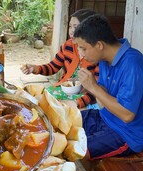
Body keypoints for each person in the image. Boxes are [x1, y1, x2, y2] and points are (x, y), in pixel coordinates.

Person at [74, 14, 143, 162]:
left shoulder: (133, 64)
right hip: (104, 117)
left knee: (74, 151)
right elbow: (102, 101)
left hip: (125, 133)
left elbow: (127, 115)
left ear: (99, 45)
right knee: (66, 120)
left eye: (83, 49)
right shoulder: (105, 59)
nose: (81, 55)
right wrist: (89, 87)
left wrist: (94, 87)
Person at [20, 9, 98, 109]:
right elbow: (53, 67)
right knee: (36, 101)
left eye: (76, 27)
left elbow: (97, 88)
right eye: (70, 26)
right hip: (63, 89)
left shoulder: (96, 54)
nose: (71, 31)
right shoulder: (67, 46)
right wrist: (35, 69)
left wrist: (77, 102)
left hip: (86, 95)